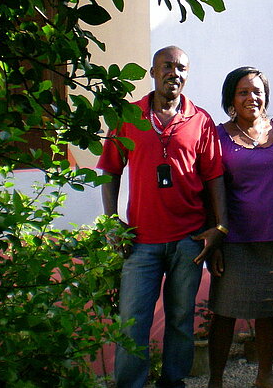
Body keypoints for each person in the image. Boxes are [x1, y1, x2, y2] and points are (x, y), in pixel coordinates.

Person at [98, 46, 228, 388]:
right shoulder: (129, 117)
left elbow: (214, 176)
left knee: (181, 319)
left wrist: (220, 227)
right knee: (133, 320)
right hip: (140, 242)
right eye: (167, 66)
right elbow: (110, 169)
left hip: (188, 240)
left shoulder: (200, 121)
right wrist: (111, 220)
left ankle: (173, 381)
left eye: (182, 68)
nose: (175, 73)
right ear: (152, 72)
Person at [206, 66, 273, 388]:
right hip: (235, 241)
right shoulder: (218, 136)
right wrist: (215, 241)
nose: (251, 97)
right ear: (231, 99)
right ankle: (216, 380)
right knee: (224, 313)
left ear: (265, 96)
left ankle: (265, 376)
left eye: (257, 91)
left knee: (271, 311)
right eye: (243, 92)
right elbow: (211, 189)